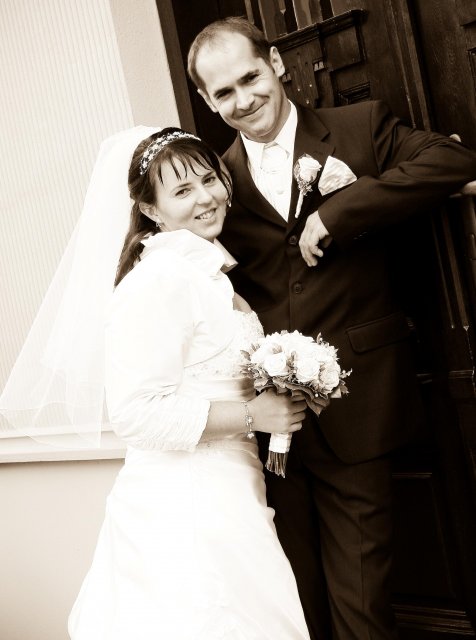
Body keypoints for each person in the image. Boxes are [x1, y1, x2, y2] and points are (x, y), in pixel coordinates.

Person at [187, 16, 476, 640]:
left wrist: (341, 211)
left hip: (358, 402)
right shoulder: (216, 183)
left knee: (361, 597)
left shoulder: (358, 127)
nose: (244, 100)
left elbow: (451, 159)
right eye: (224, 93)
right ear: (208, 102)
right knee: (294, 599)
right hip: (266, 429)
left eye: (250, 78)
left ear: (277, 64)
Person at [0, 125, 313, 639]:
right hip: (187, 503)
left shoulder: (205, 273)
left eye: (209, 180)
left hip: (233, 489)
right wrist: (253, 414)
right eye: (182, 190)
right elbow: (135, 414)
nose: (205, 198)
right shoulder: (157, 282)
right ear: (151, 209)